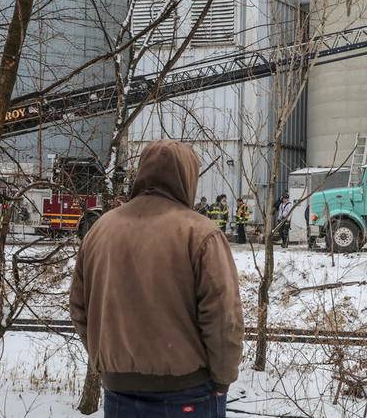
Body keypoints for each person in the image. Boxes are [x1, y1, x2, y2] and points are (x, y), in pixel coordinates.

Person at [69, 140, 244, 418]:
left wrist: (108, 361)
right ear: (188, 177)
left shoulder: (101, 229)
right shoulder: (200, 233)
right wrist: (223, 378)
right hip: (188, 391)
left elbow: (79, 309)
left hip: (119, 390)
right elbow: (223, 317)